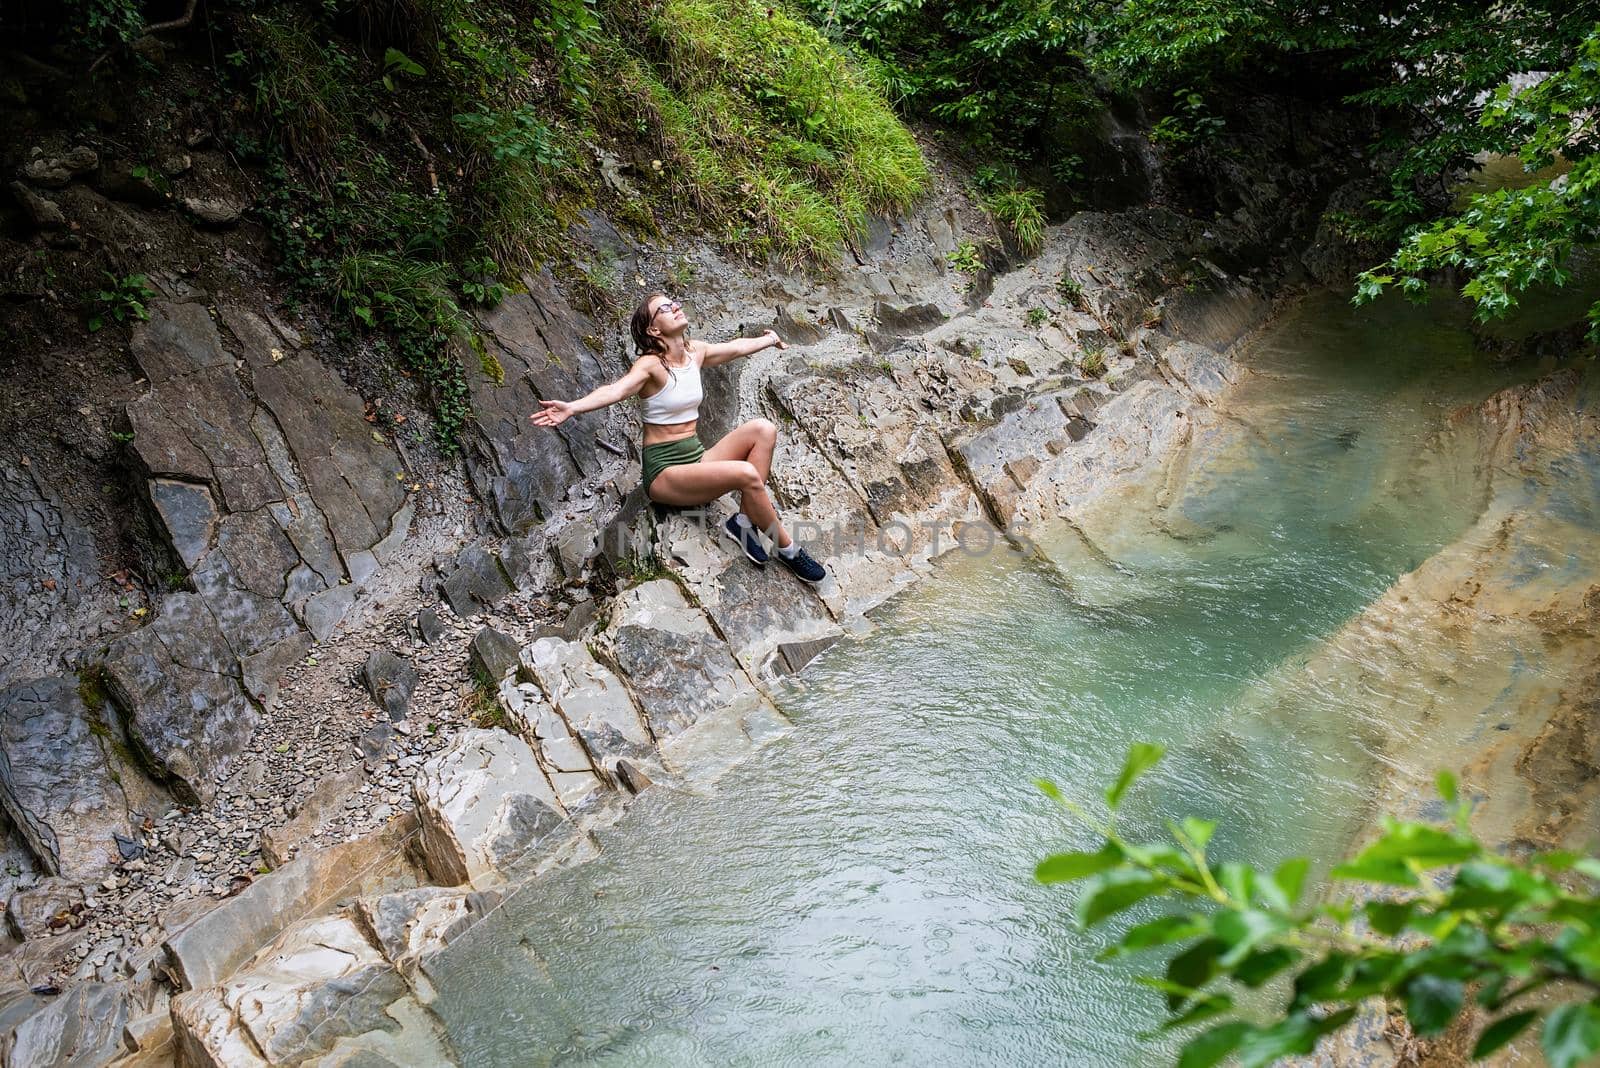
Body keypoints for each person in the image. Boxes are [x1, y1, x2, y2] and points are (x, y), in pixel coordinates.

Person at [530, 292, 827, 582]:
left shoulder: (694, 352)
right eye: (665, 308)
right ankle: (788, 549)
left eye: (674, 303)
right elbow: (616, 391)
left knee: (764, 429)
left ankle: (743, 523)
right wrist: (572, 407)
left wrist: (769, 339)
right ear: (653, 329)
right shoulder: (651, 365)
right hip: (665, 475)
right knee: (746, 473)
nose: (675, 307)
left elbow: (734, 348)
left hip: (696, 460)